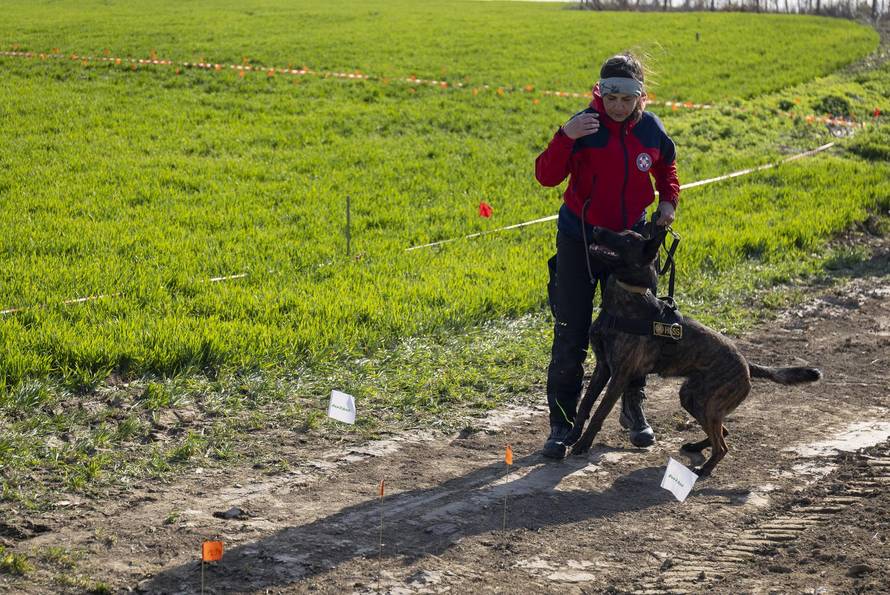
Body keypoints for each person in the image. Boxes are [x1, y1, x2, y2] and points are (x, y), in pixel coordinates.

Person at [534, 53, 680, 459]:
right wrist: (566, 135)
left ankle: (632, 412)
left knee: (637, 329)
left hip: (630, 247)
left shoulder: (650, 129)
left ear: (640, 98)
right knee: (571, 332)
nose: (618, 106)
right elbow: (546, 175)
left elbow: (667, 168)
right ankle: (562, 425)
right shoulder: (584, 126)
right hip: (580, 240)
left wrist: (668, 200)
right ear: (600, 92)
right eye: (611, 96)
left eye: (627, 98)